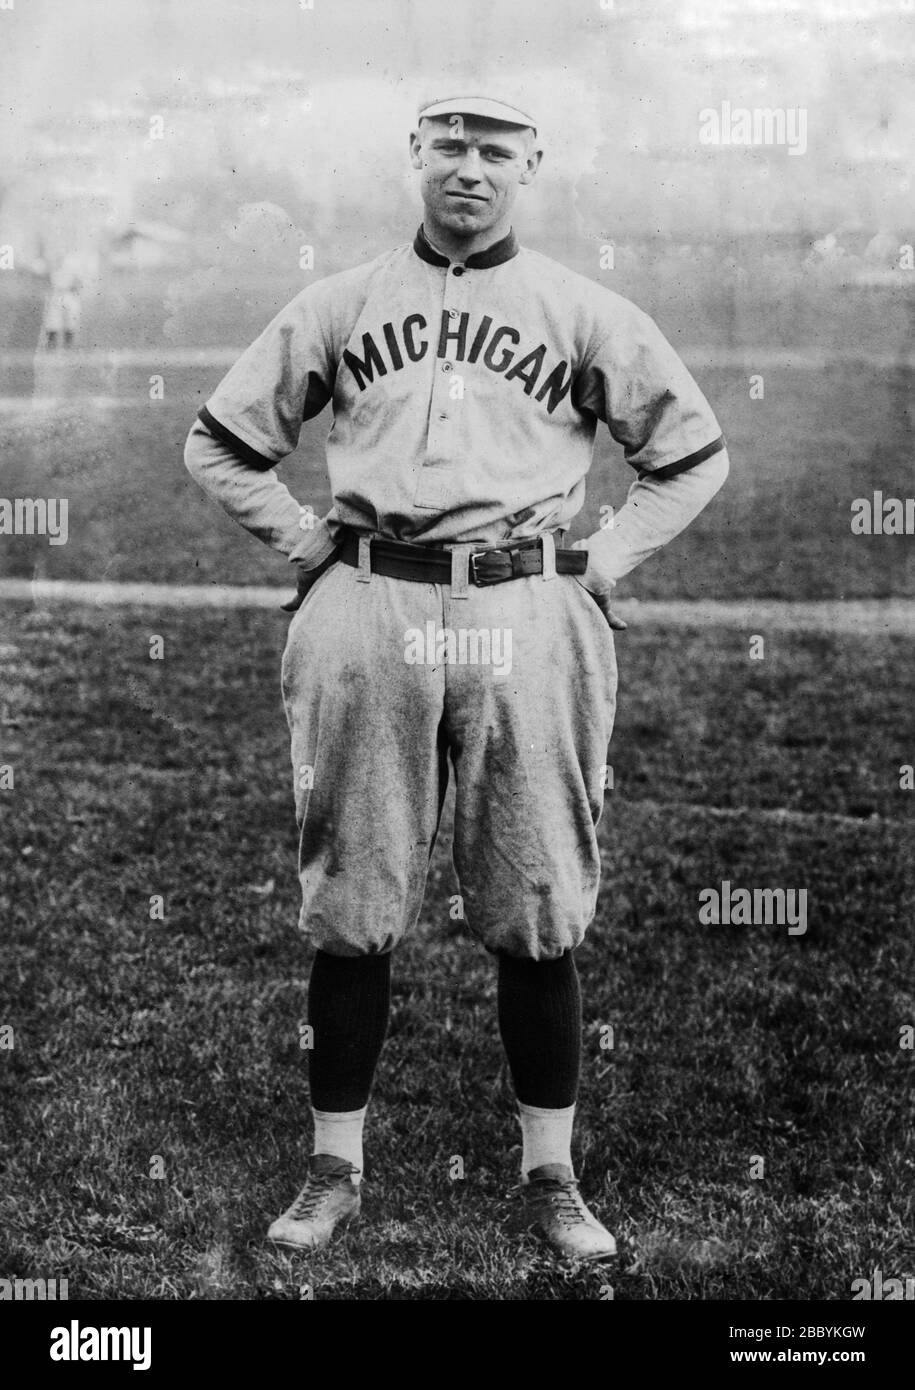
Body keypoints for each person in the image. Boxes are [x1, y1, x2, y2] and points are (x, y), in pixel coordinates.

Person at [184, 91, 729, 1263]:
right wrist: (301, 540)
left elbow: (693, 454)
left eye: (494, 149)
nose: (469, 167)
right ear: (415, 156)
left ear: (531, 162)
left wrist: (606, 556)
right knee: (352, 904)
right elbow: (220, 441)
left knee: (536, 904)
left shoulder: (581, 309)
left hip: (528, 606)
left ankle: (554, 1176)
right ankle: (334, 1167)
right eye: (449, 145)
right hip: (373, 600)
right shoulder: (341, 302)